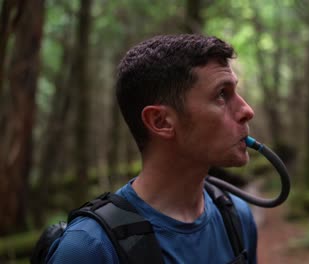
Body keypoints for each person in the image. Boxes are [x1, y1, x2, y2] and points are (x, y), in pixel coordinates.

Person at [46, 34, 257, 263]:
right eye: (221, 95)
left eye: (235, 91)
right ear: (160, 121)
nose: (247, 110)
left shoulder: (235, 216)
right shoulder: (90, 248)